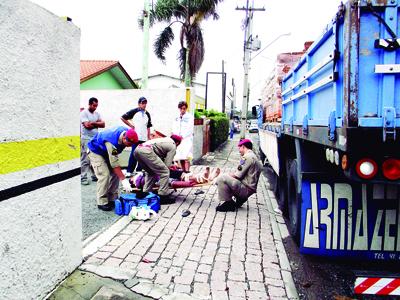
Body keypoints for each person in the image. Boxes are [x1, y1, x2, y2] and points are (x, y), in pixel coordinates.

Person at [88, 126, 139, 211]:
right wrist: (123, 179)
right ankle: (102, 201)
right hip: (95, 151)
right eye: (128, 144)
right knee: (104, 174)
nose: (128, 147)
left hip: (105, 152)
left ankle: (112, 198)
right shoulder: (112, 142)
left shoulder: (127, 132)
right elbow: (114, 163)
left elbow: (114, 160)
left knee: (115, 174)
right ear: (124, 138)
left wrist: (120, 174)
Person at [215, 139, 263, 212]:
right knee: (227, 179)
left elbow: (238, 175)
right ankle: (240, 199)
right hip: (249, 188)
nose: (239, 151)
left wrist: (227, 175)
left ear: (243, 147)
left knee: (221, 178)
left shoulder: (247, 157)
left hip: (245, 189)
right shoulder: (254, 156)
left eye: (239, 148)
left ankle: (229, 204)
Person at [133, 135, 182, 204]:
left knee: (150, 172)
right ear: (177, 143)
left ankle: (146, 193)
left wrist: (171, 165)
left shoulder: (163, 140)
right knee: (165, 172)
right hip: (146, 151)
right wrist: (174, 169)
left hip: (137, 150)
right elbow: (166, 166)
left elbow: (158, 159)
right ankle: (163, 197)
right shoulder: (173, 146)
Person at [121, 96, 152, 176]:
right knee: (134, 153)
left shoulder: (147, 114)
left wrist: (148, 137)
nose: (144, 105)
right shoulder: (134, 111)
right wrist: (131, 126)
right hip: (135, 137)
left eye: (145, 103)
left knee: (143, 154)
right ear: (139, 104)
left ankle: (139, 170)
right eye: (142, 103)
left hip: (144, 137)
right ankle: (129, 171)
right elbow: (123, 117)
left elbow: (148, 126)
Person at [80, 97, 105, 185]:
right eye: (94, 105)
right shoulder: (84, 113)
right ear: (90, 104)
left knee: (94, 157)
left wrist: (93, 123)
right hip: (86, 138)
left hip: (94, 138)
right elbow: (87, 126)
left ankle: (94, 175)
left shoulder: (97, 113)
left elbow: (103, 124)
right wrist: (97, 123)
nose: (95, 107)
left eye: (96, 106)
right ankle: (83, 177)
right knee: (86, 158)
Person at [171, 101, 194, 172]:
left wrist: (182, 136)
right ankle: (184, 171)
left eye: (184, 109)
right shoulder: (176, 117)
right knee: (180, 157)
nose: (183, 110)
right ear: (179, 108)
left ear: (186, 108)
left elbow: (190, 129)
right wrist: (174, 135)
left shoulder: (190, 117)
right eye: (181, 109)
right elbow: (174, 127)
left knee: (187, 157)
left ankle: (187, 171)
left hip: (186, 139)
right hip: (178, 140)